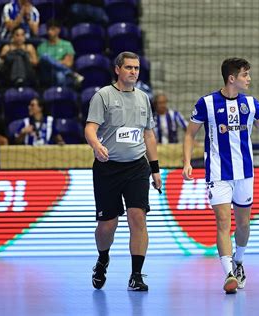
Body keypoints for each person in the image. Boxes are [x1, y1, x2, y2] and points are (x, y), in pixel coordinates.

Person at [182, 57, 259, 294]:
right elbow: (190, 135)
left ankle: (239, 261)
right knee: (222, 221)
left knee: (243, 224)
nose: (249, 79)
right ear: (232, 78)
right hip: (218, 173)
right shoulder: (206, 103)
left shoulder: (250, 104)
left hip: (244, 173)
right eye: (245, 75)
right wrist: (187, 162)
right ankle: (228, 272)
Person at [85, 51, 162, 292]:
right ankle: (103, 258)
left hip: (136, 167)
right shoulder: (103, 96)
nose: (134, 72)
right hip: (108, 168)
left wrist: (155, 169)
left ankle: (136, 275)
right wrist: (97, 145)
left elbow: (148, 133)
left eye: (137, 68)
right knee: (108, 225)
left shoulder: (143, 98)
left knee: (138, 217)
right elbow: (90, 128)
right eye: (129, 67)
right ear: (117, 69)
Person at [36, 19, 83, 88]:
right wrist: (60, 61)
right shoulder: (41, 46)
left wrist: (52, 61)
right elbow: (40, 63)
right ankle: (71, 73)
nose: (49, 32)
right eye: (48, 29)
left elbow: (69, 63)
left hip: (60, 73)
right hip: (46, 74)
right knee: (45, 57)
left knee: (59, 75)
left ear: (58, 30)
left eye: (52, 29)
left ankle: (61, 96)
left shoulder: (67, 45)